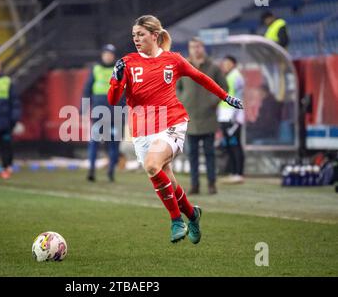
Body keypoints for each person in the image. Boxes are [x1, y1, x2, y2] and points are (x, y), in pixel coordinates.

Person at [108, 15, 243, 244]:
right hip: (142, 129)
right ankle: (192, 214)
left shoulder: (174, 60)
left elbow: (201, 78)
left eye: (140, 34)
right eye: (134, 35)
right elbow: (113, 100)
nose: (136, 39)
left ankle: (175, 221)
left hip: (172, 121)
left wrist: (225, 96)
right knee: (164, 177)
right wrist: (116, 77)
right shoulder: (128, 62)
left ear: (154, 35)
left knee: (152, 165)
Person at [177, 37, 228, 195]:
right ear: (189, 48)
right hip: (190, 118)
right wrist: (182, 101)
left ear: (203, 48)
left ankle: (212, 184)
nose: (196, 49)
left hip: (208, 117)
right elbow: (175, 87)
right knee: (192, 154)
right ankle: (194, 185)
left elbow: (223, 87)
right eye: (193, 47)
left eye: (198, 46)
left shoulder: (213, 67)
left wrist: (212, 103)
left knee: (209, 153)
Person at [82, 44, 121, 182]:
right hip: (98, 113)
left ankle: (111, 171)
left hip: (115, 114)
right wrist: (84, 108)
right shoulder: (95, 69)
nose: (108, 56)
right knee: (94, 143)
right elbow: (87, 90)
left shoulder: (120, 70)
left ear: (113, 56)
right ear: (102, 55)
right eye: (106, 53)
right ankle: (91, 170)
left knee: (114, 144)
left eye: (110, 54)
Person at [218, 55, 245, 184]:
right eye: (224, 63)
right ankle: (233, 172)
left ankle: (239, 173)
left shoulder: (237, 77)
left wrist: (235, 117)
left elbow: (239, 97)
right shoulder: (227, 77)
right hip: (224, 116)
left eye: (227, 63)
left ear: (233, 64)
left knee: (235, 145)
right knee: (229, 145)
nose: (225, 65)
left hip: (232, 117)